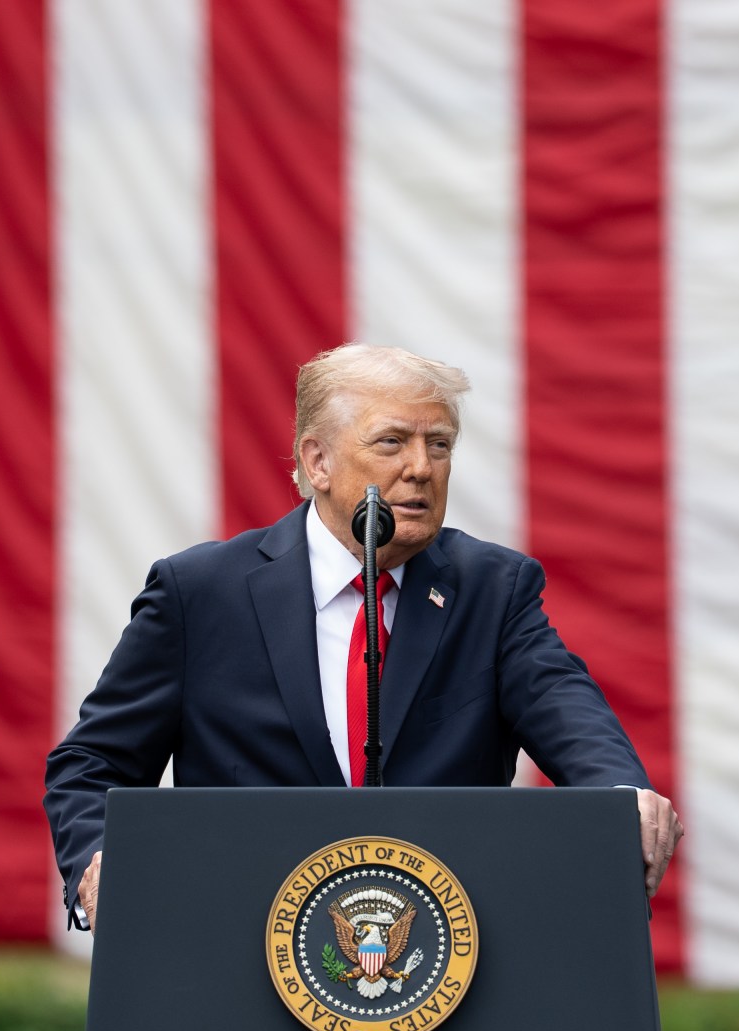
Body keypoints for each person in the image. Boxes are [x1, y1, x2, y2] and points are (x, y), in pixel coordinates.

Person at [44, 343, 683, 932]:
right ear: (316, 460)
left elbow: (566, 710)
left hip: (440, 960)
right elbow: (92, 764)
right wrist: (99, 862)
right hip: (239, 942)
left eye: (440, 445)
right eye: (391, 442)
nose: (420, 469)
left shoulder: (493, 589)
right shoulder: (201, 593)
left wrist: (620, 795)